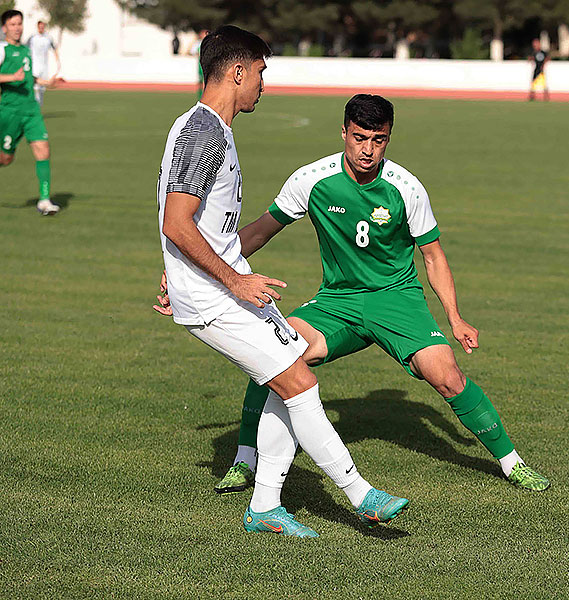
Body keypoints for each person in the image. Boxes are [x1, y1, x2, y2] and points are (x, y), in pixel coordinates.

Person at [156, 93, 551, 495]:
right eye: (360, 137)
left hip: (396, 299)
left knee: (447, 376)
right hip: (337, 301)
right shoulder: (311, 179)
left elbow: (432, 256)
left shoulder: (406, 188)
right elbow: (258, 232)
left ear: (389, 138)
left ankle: (512, 462)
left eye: (378, 140)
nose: (368, 150)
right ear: (343, 132)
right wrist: (194, 270)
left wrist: (455, 316)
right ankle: (245, 459)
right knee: (275, 354)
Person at [156, 26, 408, 538]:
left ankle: (266, 505)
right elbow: (175, 222)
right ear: (237, 72)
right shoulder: (202, 132)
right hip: (215, 296)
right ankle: (360, 493)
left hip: (221, 285)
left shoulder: (211, 129)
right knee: (298, 382)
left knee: (289, 375)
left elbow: (196, 226)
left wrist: (184, 268)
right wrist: (229, 279)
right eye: (260, 72)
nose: (263, 84)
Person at [0, 10, 60, 215]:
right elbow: (14, 76)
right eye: (12, 24)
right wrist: (11, 77)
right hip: (10, 112)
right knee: (5, 159)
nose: (17, 28)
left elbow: (28, 77)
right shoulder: (2, 49)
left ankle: (44, 201)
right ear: (4, 28)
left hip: (31, 110)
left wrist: (46, 82)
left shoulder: (26, 50)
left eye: (19, 24)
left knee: (43, 150)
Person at [26, 20, 60, 107]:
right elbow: (25, 49)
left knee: (42, 88)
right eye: (40, 26)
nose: (41, 28)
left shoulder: (48, 38)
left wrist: (57, 61)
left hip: (44, 66)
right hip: (34, 65)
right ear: (37, 27)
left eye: (42, 26)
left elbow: (54, 49)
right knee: (35, 85)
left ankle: (39, 105)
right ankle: (33, 105)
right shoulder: (32, 37)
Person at [191, 29, 209, 100]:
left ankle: (205, 96)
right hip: (200, 65)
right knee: (200, 81)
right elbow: (192, 51)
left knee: (206, 81)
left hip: (207, 64)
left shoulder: (209, 43)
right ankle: (200, 96)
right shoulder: (198, 43)